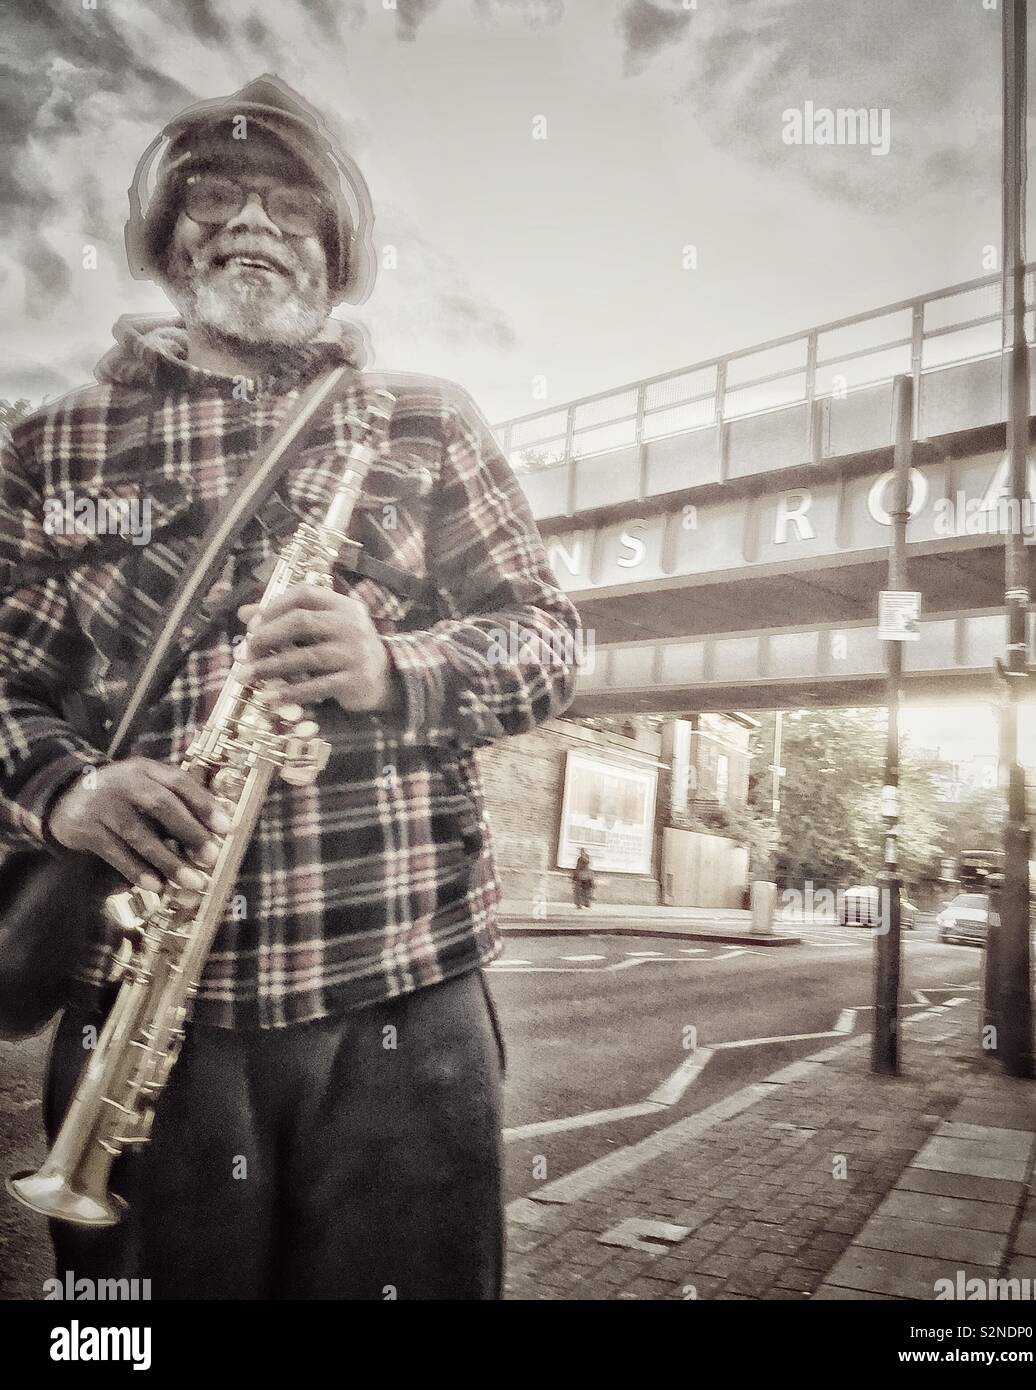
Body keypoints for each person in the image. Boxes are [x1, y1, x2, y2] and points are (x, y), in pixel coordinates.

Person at [0, 76, 582, 1299]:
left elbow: (549, 641)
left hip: (404, 998)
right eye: (215, 196)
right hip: (144, 999)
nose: (253, 222)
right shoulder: (50, 444)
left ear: (338, 248)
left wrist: (398, 667)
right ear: (168, 237)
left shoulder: (428, 421)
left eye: (291, 204)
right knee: (112, 1333)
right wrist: (62, 787)